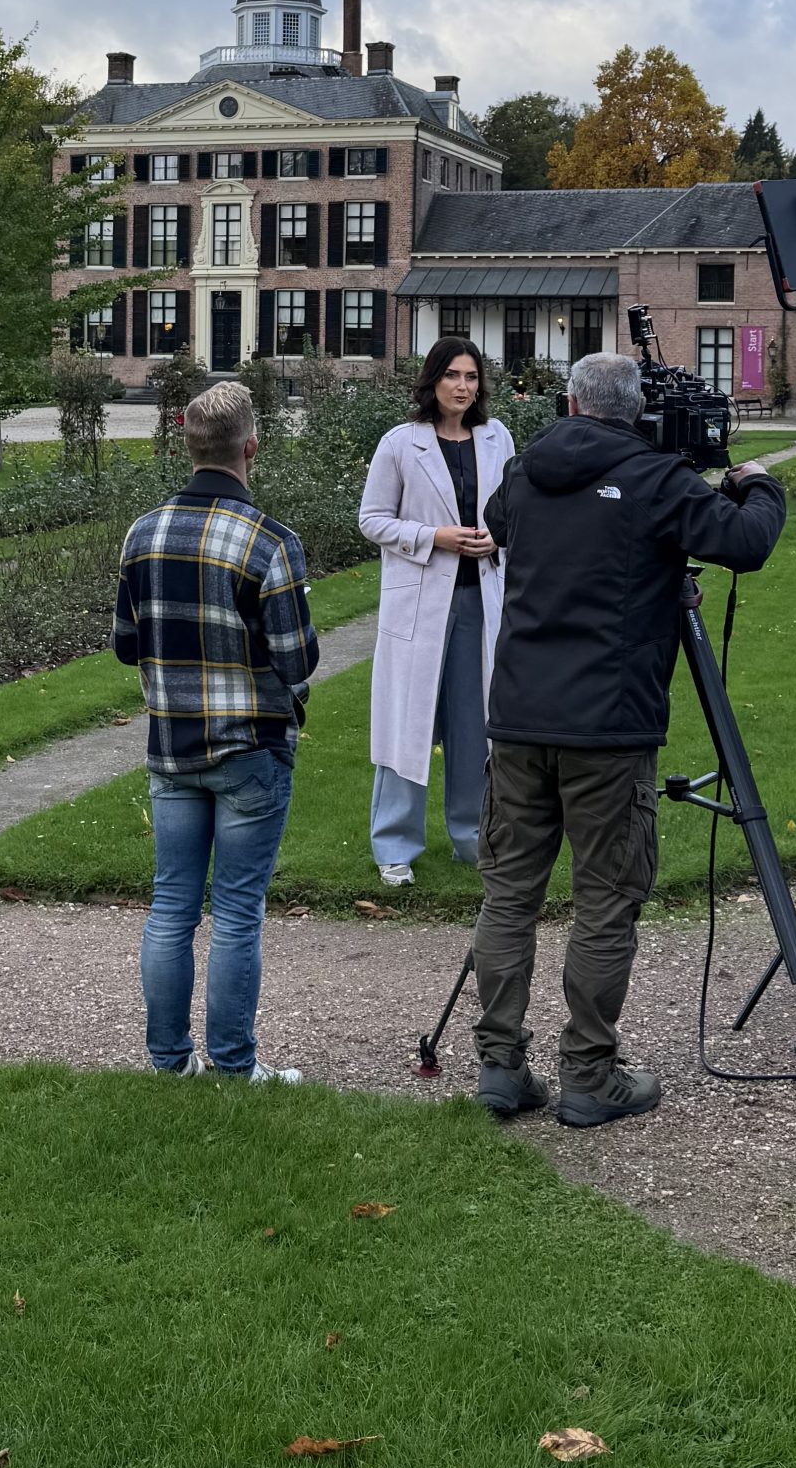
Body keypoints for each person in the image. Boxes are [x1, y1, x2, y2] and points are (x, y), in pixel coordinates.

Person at [470, 350, 786, 1127]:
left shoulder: (524, 471)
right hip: (607, 726)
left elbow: (500, 526)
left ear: (572, 404)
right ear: (637, 411)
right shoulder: (655, 479)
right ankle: (589, 1073)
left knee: (509, 894)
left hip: (519, 715)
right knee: (607, 900)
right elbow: (746, 542)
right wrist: (759, 483)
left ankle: (500, 1065)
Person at [114, 378, 320, 1082]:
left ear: (187, 443)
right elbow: (297, 658)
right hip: (249, 747)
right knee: (235, 912)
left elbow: (126, 645)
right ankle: (234, 1065)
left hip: (172, 746)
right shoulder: (271, 543)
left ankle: (170, 1061)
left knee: (172, 905)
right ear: (250, 448)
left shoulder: (143, 533)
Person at [357, 336, 513, 886]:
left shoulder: (497, 438)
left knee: (475, 725)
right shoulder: (401, 443)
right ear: (433, 381)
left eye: (471, 377)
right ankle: (394, 846)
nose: (462, 387)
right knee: (407, 722)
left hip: (480, 600)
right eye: (452, 375)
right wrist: (433, 537)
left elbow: (512, 509)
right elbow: (372, 519)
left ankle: (472, 839)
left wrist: (497, 537)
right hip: (421, 602)